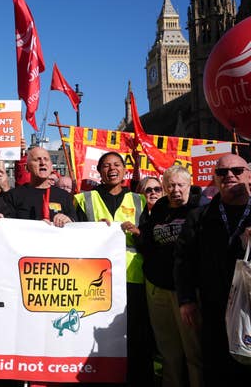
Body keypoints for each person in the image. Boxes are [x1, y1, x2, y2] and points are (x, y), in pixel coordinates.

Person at [74, 151, 153, 386]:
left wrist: (138, 233)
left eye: (117, 164)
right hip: (95, 282)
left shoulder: (139, 201)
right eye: (106, 166)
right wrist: (92, 232)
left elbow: (149, 239)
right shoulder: (82, 199)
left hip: (133, 279)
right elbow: (73, 239)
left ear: (124, 170)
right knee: (97, 334)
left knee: (136, 336)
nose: (112, 169)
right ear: (99, 172)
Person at [175, 153, 251, 385]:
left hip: (249, 305)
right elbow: (183, 259)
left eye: (237, 170)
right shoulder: (199, 216)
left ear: (249, 175)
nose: (229, 175)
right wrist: (186, 299)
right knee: (217, 367)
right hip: (213, 305)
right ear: (215, 179)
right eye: (221, 172)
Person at [131, 166, 202, 387]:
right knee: (168, 351)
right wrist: (138, 236)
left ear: (189, 185)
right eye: (170, 185)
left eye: (180, 184)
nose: (175, 190)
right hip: (158, 288)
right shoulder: (159, 210)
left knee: (194, 351)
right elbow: (149, 245)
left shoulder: (201, 210)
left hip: (188, 293)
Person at [3, 146, 76, 226]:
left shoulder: (64, 196)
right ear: (27, 168)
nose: (42, 163)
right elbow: (6, 226)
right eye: (37, 160)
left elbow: (77, 224)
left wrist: (68, 220)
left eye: (46, 159)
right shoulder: (13, 195)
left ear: (51, 167)